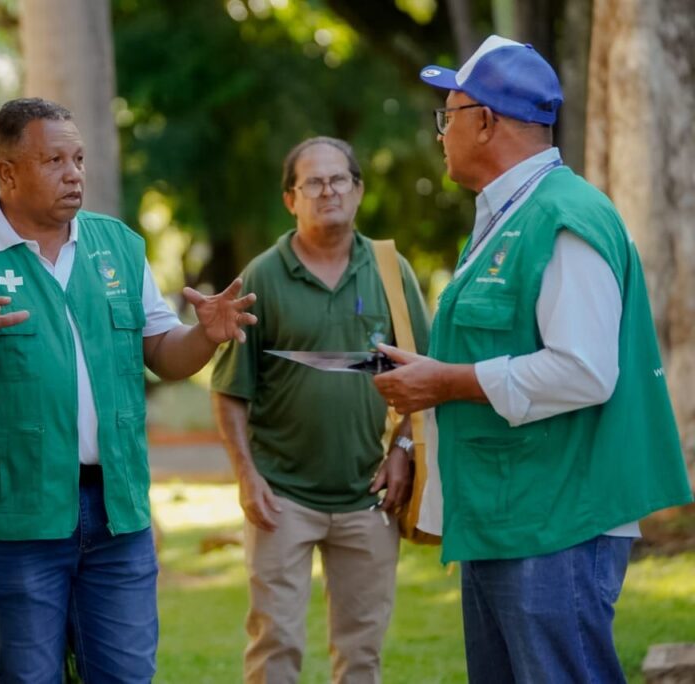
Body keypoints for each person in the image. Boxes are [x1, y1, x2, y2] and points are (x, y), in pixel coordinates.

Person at [0, 97, 256, 683]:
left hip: (117, 512)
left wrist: (205, 337)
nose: (74, 174)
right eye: (54, 160)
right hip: (18, 517)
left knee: (127, 676)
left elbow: (163, 352)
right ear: (8, 173)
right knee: (29, 677)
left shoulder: (118, 246)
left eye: (79, 158)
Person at [373, 36, 693, 683]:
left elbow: (584, 370)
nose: (441, 134)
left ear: (485, 121)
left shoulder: (564, 218)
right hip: (508, 518)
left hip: (557, 529)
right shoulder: (503, 218)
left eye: (449, 115)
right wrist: (416, 426)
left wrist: (448, 382)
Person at [210, 136, 430, 683]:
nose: (327, 190)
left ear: (357, 190)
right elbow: (229, 390)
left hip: (370, 495)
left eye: (339, 180)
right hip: (280, 498)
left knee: (361, 654)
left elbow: (425, 377)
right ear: (291, 199)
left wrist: (403, 448)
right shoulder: (261, 277)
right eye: (314, 181)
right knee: (275, 645)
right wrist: (246, 477)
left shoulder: (390, 270)